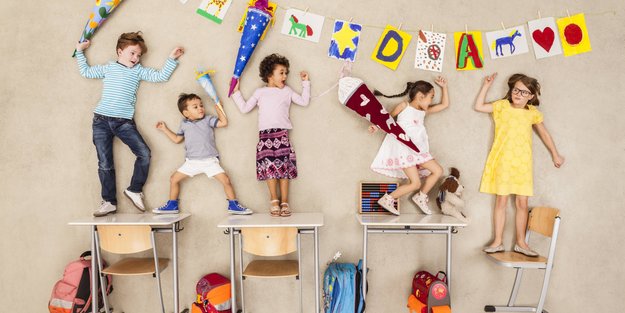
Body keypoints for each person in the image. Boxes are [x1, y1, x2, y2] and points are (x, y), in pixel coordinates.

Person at [75, 31, 184, 217]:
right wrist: (79, 51)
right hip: (101, 120)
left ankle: (134, 189)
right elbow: (85, 71)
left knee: (145, 154)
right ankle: (108, 201)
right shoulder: (109, 67)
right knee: (104, 163)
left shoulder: (138, 71)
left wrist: (171, 59)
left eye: (139, 55)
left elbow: (160, 77)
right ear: (120, 51)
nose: (136, 57)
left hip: (123, 122)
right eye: (132, 53)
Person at [476, 73, 564, 257]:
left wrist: (555, 154)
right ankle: (498, 241)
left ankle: (521, 243)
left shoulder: (532, 113)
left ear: (531, 96)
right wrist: (486, 85)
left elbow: (545, 135)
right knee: (501, 200)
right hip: (503, 161)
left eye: (524, 92)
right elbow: (479, 106)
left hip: (522, 164)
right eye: (516, 89)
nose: (518, 94)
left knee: (522, 203)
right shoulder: (502, 106)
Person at [230, 53, 310, 217]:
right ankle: (274, 200)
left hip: (282, 135)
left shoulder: (287, 91)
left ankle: (285, 201)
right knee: (270, 169)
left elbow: (304, 101)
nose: (285, 76)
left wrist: (305, 83)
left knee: (284, 170)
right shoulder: (260, 92)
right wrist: (236, 92)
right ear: (269, 76)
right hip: (265, 137)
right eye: (281, 73)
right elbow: (245, 108)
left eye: (286, 73)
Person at [153, 93, 253, 215]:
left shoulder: (208, 119)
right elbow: (177, 139)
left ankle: (233, 205)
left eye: (201, 105)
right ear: (186, 113)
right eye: (195, 107)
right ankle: (172, 205)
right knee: (173, 179)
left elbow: (223, 123)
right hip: (191, 162)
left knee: (226, 180)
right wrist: (164, 129)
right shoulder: (184, 124)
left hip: (209, 161)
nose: (200, 108)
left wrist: (219, 109)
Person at [370, 77, 449, 215]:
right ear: (420, 96)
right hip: (405, 149)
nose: (431, 101)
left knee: (437, 170)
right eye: (431, 97)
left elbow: (444, 105)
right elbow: (387, 119)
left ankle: (421, 196)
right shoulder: (404, 106)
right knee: (415, 183)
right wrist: (376, 127)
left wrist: (444, 87)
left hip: (418, 149)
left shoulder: (423, 111)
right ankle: (388, 199)